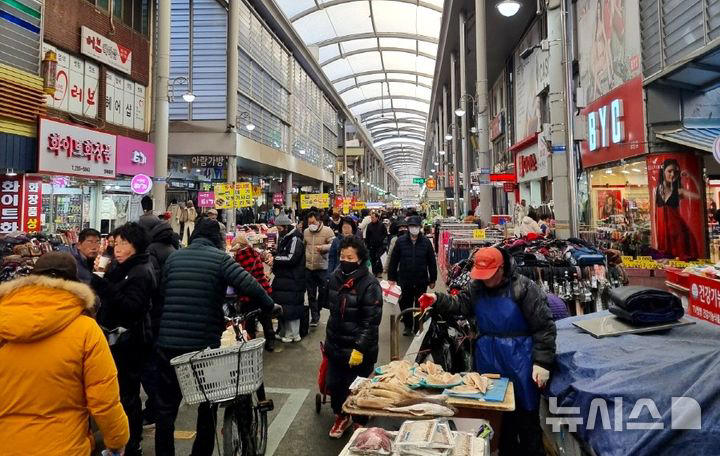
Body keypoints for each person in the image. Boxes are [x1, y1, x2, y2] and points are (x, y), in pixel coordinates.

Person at [154, 218, 275, 456]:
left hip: (167, 343)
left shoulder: (174, 258)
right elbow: (249, 284)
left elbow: (161, 294)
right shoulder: (220, 259)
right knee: (207, 403)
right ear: (217, 239)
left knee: (166, 409)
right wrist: (270, 305)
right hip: (202, 345)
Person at [420, 247, 556, 456]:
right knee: (496, 417)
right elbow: (460, 305)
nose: (486, 280)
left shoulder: (524, 288)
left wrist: (543, 362)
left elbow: (544, 326)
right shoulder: (476, 287)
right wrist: (438, 300)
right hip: (488, 358)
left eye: (490, 275)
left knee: (526, 416)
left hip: (521, 359)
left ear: (502, 269)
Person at [0, 252, 129, 456]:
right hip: (65, 446)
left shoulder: (4, 323)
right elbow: (103, 399)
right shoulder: (86, 329)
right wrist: (117, 440)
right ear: (74, 283)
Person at [90, 223, 157, 456]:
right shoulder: (124, 266)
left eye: (123, 244)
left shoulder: (141, 271)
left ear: (136, 245)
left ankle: (132, 444)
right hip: (119, 339)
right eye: (115, 244)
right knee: (121, 393)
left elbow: (132, 307)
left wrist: (104, 286)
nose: (117, 249)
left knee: (128, 395)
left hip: (131, 342)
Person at [325, 236, 382, 438]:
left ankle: (359, 421)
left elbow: (371, 321)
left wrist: (359, 348)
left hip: (360, 348)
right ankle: (341, 416)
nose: (345, 260)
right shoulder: (334, 277)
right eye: (342, 256)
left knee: (358, 387)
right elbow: (331, 309)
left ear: (360, 259)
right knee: (335, 385)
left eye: (350, 257)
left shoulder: (370, 284)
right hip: (336, 343)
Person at [143, 219, 180, 426]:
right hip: (168, 313)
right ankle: (163, 402)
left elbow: (154, 285)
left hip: (155, 314)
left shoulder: (152, 251)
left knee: (150, 365)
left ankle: (156, 407)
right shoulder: (173, 250)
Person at [387, 215, 437, 336]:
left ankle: (418, 326)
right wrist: (391, 278)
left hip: (421, 279)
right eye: (411, 226)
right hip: (404, 279)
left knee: (420, 304)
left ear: (420, 227)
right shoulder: (400, 241)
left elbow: (431, 261)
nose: (413, 228)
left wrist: (433, 279)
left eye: (416, 226)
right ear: (408, 228)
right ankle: (408, 326)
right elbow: (394, 260)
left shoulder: (426, 242)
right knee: (405, 303)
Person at [232, 233, 276, 351]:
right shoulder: (255, 253)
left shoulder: (239, 258)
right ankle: (270, 342)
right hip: (262, 289)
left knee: (249, 320)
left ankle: (252, 345)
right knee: (265, 318)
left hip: (248, 293)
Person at [270, 213, 306, 343]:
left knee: (292, 308)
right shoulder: (285, 237)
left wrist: (275, 258)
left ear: (285, 227)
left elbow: (291, 258)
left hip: (293, 279)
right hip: (284, 279)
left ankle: (293, 334)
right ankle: (283, 331)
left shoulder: (295, 239)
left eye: (279, 228)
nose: (278, 230)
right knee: (283, 307)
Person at [654, 158, 701, 260]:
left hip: (678, 230)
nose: (672, 174)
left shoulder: (679, 191)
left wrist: (691, 177)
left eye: (675, 172)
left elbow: (699, 196)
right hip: (665, 232)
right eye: (669, 171)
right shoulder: (657, 190)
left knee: (682, 259)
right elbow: (655, 215)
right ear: (663, 172)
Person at [304, 211, 335, 326]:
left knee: (323, 291)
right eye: (309, 222)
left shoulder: (327, 231)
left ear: (318, 220)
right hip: (309, 267)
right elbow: (303, 246)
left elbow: (334, 245)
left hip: (322, 267)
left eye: (313, 222)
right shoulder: (306, 232)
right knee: (311, 294)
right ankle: (315, 316)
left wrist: (323, 247)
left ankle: (318, 308)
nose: (311, 224)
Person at [364, 211, 387, 276]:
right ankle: (374, 272)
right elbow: (367, 235)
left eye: (373, 217)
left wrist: (382, 240)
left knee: (379, 259)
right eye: (371, 217)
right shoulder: (369, 225)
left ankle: (379, 272)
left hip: (380, 245)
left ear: (377, 218)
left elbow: (385, 234)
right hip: (372, 246)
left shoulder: (381, 225)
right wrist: (367, 244)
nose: (372, 219)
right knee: (373, 259)